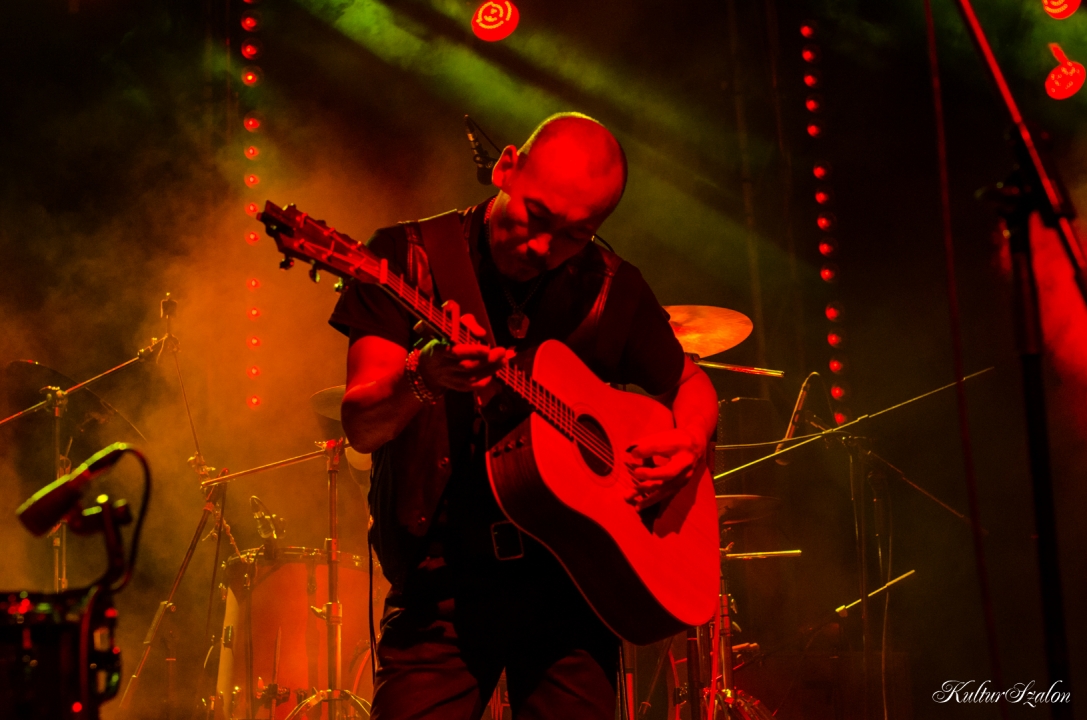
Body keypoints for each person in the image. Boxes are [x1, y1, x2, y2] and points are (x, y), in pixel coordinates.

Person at [330, 112, 719, 720]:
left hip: (575, 585)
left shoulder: (610, 287)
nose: (543, 248)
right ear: (506, 167)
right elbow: (361, 425)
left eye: (574, 235)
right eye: (536, 216)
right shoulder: (406, 260)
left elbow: (691, 382)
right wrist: (424, 375)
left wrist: (690, 443)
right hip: (441, 588)